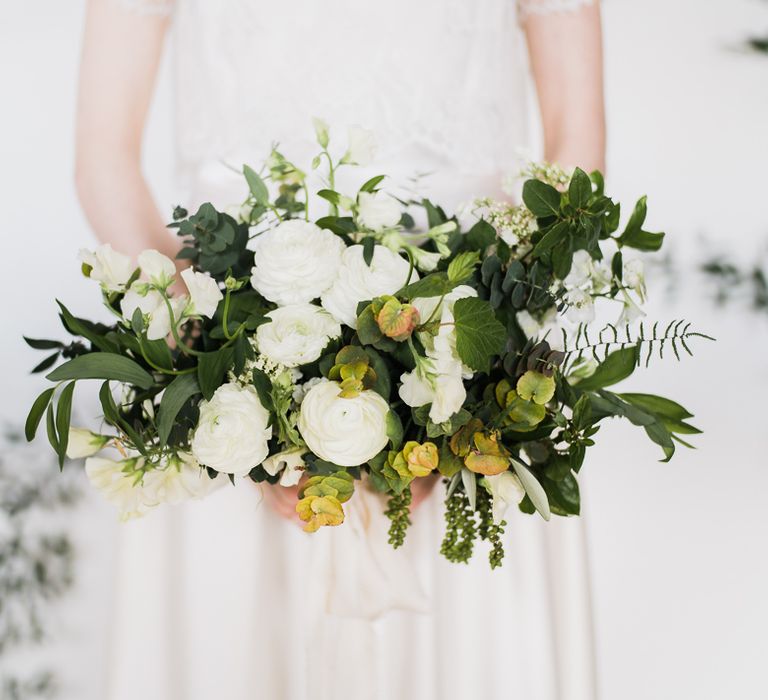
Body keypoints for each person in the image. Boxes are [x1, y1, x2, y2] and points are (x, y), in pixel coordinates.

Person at [75, 1, 605, 699]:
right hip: (225, 384)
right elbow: (103, 158)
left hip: (472, 384)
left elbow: (574, 150)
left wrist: (456, 393)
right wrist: (228, 397)